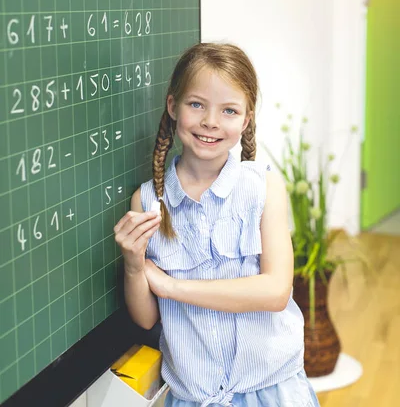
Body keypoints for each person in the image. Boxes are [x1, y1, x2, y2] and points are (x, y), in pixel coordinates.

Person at [114, 42, 320, 407]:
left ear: (246, 119)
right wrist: (134, 264)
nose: (210, 121)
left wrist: (173, 287)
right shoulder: (147, 202)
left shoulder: (264, 187)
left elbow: (274, 293)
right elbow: (146, 320)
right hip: (195, 396)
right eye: (197, 104)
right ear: (172, 106)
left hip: (272, 388)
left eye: (228, 110)